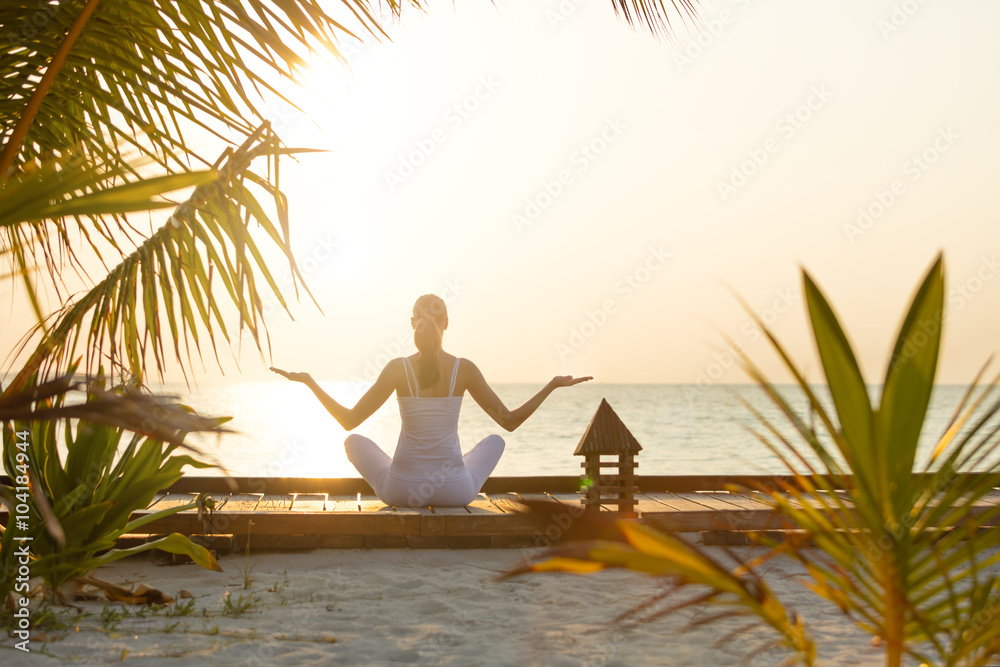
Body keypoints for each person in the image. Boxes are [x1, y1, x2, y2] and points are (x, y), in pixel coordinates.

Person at [270, 294, 592, 507]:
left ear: (412, 323)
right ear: (447, 323)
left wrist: (310, 382)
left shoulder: (397, 369)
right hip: (456, 492)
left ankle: (445, 466)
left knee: (354, 441)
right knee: (494, 441)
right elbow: (509, 423)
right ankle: (458, 466)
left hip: (401, 491)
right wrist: (550, 386)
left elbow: (349, 421)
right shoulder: (464, 369)